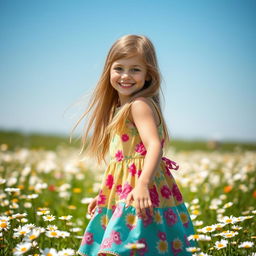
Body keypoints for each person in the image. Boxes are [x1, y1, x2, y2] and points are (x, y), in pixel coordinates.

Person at [73, 34, 198, 256]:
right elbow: (122, 165)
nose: (125, 76)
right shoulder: (123, 108)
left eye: (135, 69)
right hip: (126, 190)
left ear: (149, 74)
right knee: (136, 246)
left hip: (141, 187)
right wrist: (104, 195)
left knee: (128, 246)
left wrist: (142, 183)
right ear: (108, 71)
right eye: (119, 68)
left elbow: (154, 146)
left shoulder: (139, 105)